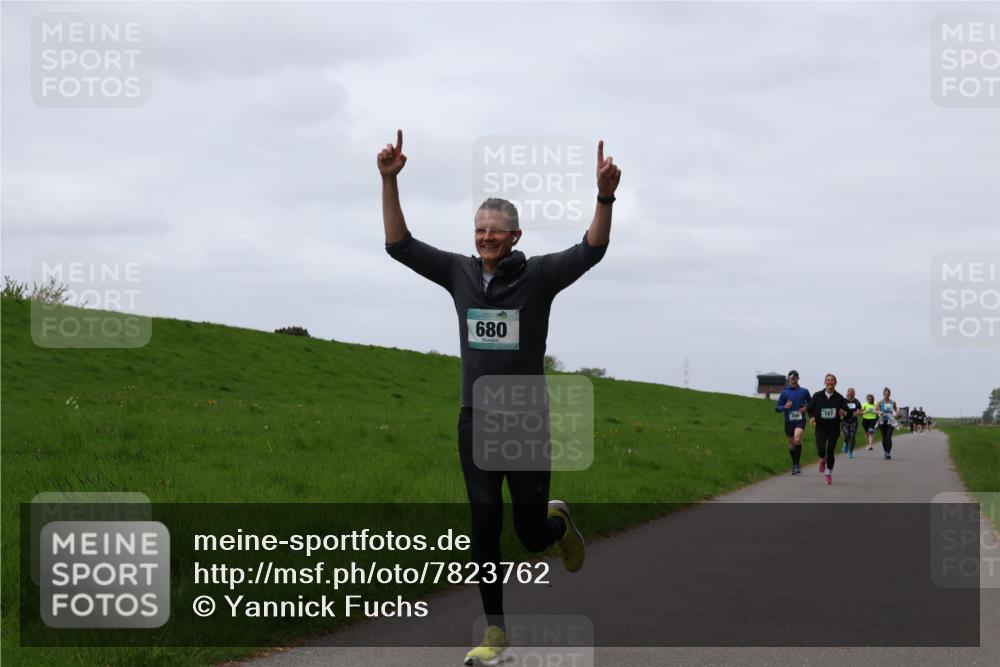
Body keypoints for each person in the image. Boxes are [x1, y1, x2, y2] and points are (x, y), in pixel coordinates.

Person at [379, 129, 621, 667]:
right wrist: (388, 180)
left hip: (526, 424)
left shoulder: (538, 277)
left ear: (515, 236)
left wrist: (604, 197)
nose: (486, 237)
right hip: (476, 421)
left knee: (530, 535)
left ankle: (557, 525)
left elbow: (592, 249)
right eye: (479, 229)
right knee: (483, 525)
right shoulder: (459, 274)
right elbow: (400, 245)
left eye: (496, 231)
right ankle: (495, 633)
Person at [808, 373, 848, 485]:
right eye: (828, 380)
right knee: (821, 449)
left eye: (832, 380)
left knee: (830, 451)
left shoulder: (839, 398)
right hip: (820, 427)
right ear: (825, 382)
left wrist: (843, 413)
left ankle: (828, 474)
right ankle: (822, 459)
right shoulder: (817, 396)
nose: (830, 382)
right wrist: (811, 417)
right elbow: (810, 408)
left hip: (834, 427)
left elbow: (846, 412)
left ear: (835, 383)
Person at [775, 370, 810, 475]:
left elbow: (812, 403)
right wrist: (785, 407)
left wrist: (806, 408)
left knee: (797, 439)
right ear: (788, 379)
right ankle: (795, 463)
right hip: (788, 421)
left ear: (798, 378)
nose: (793, 378)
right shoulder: (784, 392)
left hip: (800, 420)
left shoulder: (804, 391)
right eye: (791, 377)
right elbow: (777, 408)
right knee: (791, 444)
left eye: (795, 377)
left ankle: (797, 465)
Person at [841, 387, 863, 458]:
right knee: (847, 435)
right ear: (847, 393)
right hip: (845, 421)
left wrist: (858, 413)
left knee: (852, 437)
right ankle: (845, 444)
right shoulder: (844, 401)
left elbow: (860, 411)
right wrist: (843, 413)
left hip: (853, 421)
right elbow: (839, 410)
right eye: (849, 392)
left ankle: (850, 452)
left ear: (854, 393)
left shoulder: (857, 402)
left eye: (852, 392)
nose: (851, 393)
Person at [878, 387, 899, 459]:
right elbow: (875, 410)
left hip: (890, 420)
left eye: (888, 394)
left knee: (888, 436)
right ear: (883, 394)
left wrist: (897, 413)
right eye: (885, 394)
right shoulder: (880, 402)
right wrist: (879, 412)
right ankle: (885, 451)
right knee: (884, 437)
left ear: (890, 394)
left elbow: (896, 410)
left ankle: (888, 453)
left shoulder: (893, 402)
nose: (886, 395)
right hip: (882, 421)